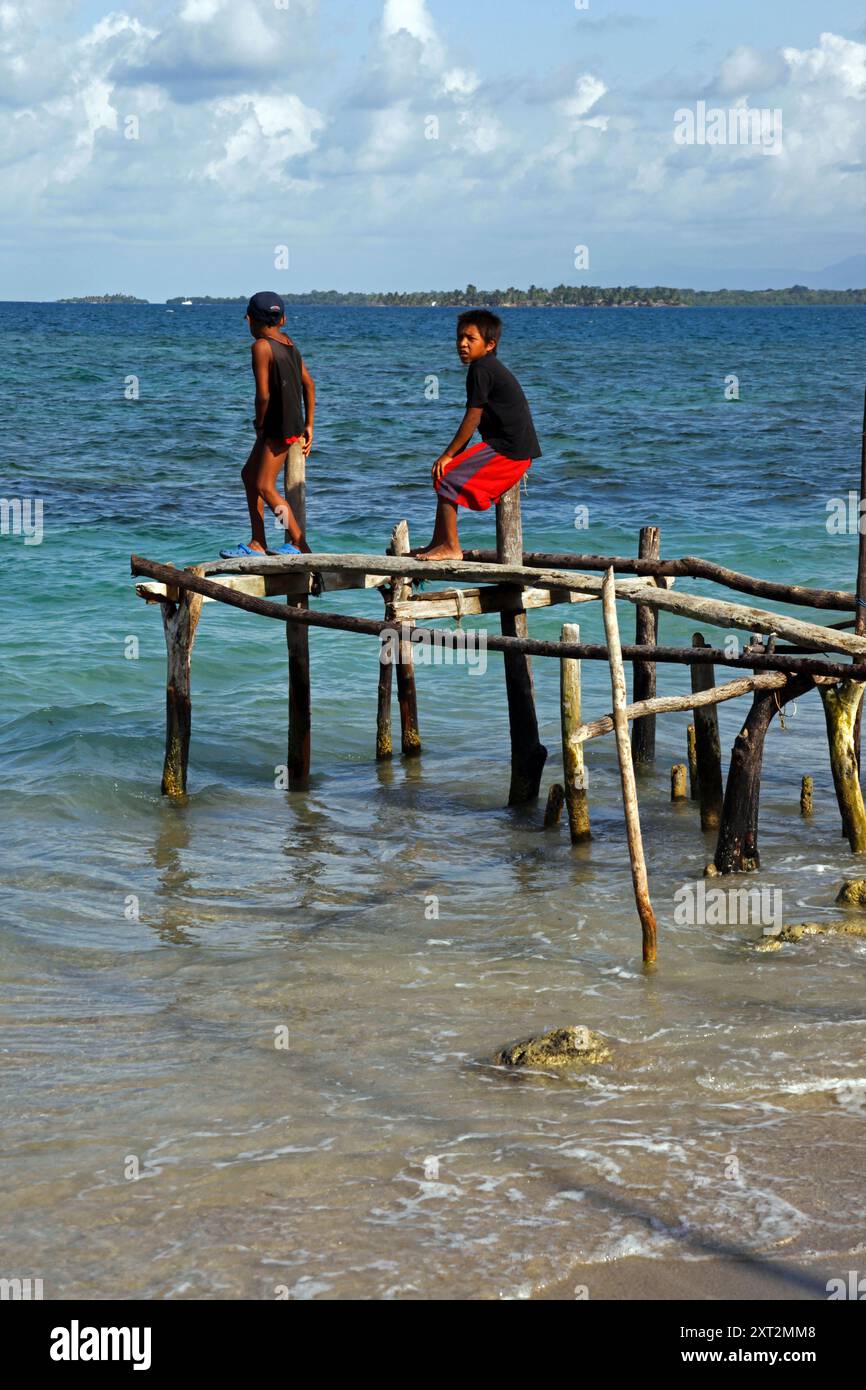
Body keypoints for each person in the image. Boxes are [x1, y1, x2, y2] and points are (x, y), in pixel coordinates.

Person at [416, 309, 541, 561]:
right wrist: (453, 457)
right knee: (445, 475)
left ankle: (451, 547)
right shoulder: (484, 366)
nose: (462, 344)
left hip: (509, 450)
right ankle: (438, 542)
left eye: (470, 339)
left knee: (447, 477)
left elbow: (473, 417)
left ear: (489, 344)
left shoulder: (482, 368)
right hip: (506, 447)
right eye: (459, 338)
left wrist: (449, 455)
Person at [219, 291, 316, 558]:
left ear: (250, 319)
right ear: (282, 319)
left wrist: (260, 424)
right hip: (288, 424)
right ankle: (257, 542)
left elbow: (262, 395)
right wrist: (309, 425)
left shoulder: (261, 347)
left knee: (264, 485)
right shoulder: (289, 345)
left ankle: (299, 542)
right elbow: (309, 384)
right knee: (249, 476)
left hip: (276, 427)